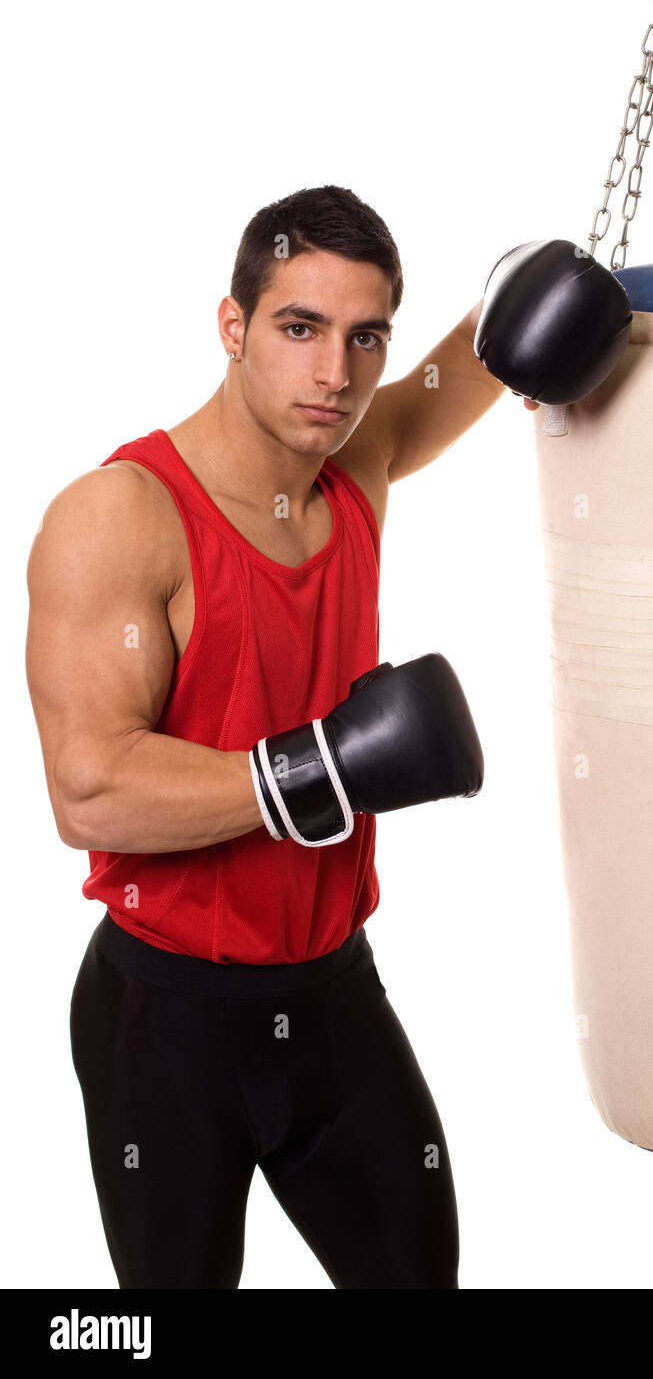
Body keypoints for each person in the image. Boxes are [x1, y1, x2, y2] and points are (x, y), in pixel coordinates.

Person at [25, 184, 521, 1289]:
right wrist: (325, 764)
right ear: (233, 325)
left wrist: (555, 284)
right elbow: (89, 791)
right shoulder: (118, 515)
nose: (334, 376)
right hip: (164, 1023)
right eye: (299, 329)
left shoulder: (355, 463)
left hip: (334, 999)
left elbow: (467, 367)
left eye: (364, 337)